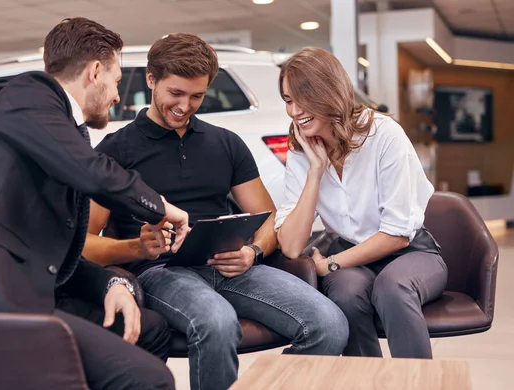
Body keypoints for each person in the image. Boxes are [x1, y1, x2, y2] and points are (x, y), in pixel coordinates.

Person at [0, 18, 192, 390]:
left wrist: (113, 283)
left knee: (151, 329)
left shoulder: (59, 134)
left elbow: (54, 255)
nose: (115, 96)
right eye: (114, 82)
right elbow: (92, 172)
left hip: (32, 288)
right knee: (151, 379)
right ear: (95, 71)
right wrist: (161, 207)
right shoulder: (29, 94)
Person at [83, 33, 349, 390]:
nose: (185, 106)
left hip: (229, 264)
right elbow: (83, 243)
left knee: (330, 324)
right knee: (218, 322)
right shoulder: (114, 151)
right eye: (175, 94)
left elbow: (271, 221)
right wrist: (135, 249)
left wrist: (252, 252)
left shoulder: (226, 144)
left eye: (196, 96)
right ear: (151, 79)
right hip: (159, 271)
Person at [274, 47, 448, 359]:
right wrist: (315, 172)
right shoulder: (302, 151)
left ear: (330, 91)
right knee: (344, 293)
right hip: (351, 252)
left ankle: (417, 382)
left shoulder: (383, 134)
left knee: (392, 288)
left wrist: (330, 264)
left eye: (303, 97)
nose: (295, 110)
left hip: (411, 252)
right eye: (288, 100)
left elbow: (397, 234)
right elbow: (290, 245)